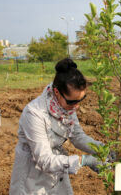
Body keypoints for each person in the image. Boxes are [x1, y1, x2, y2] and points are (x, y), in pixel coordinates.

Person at [9, 58, 114, 195]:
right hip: (33, 179)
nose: (76, 106)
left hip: (57, 174)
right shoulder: (34, 114)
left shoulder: (66, 107)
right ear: (57, 92)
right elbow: (44, 160)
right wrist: (85, 161)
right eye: (72, 101)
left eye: (81, 100)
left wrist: (102, 149)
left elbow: (77, 136)